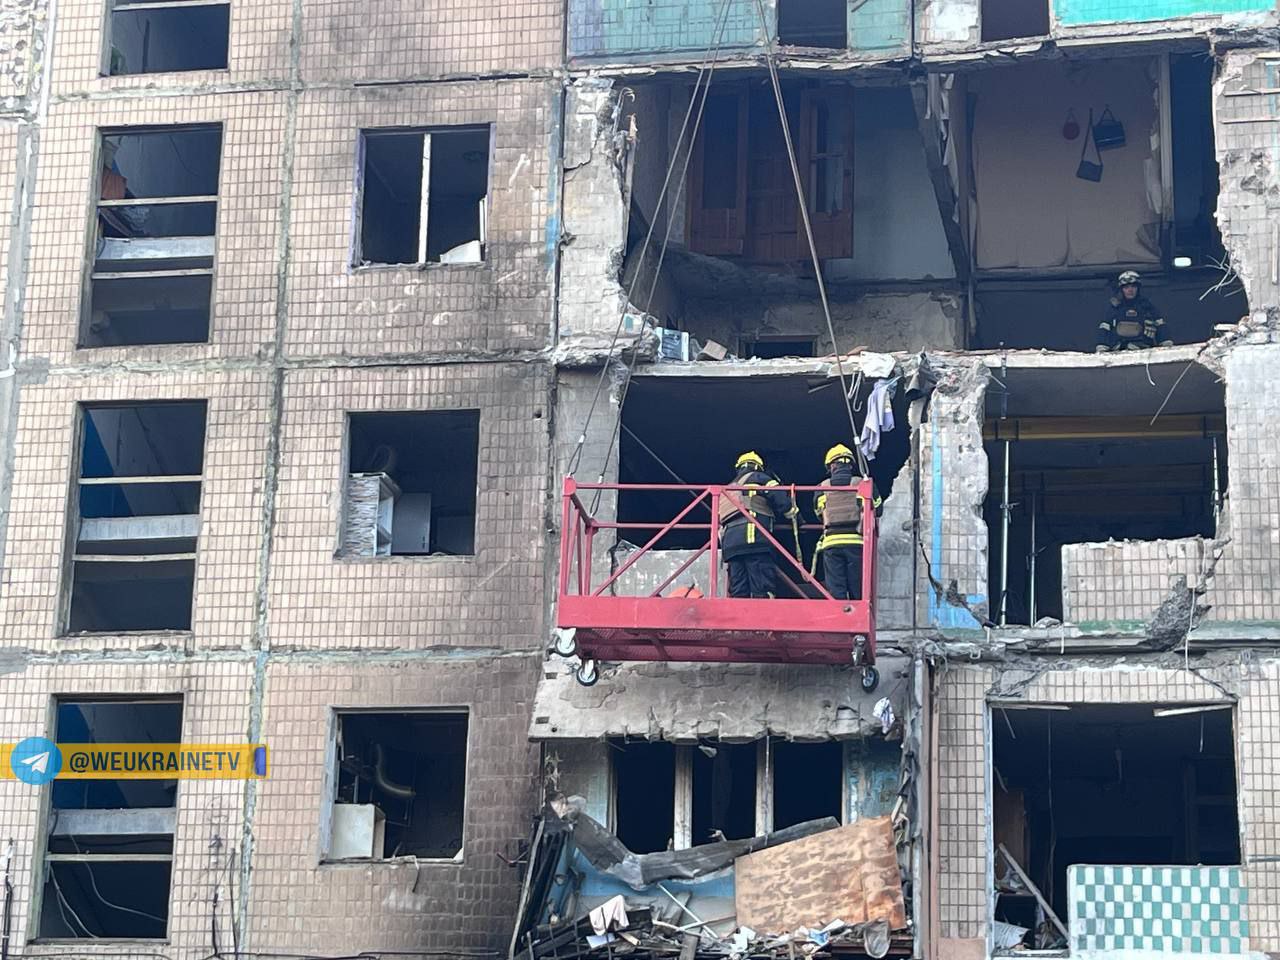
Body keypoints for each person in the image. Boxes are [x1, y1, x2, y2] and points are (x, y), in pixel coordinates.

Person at [719, 451, 795, 599]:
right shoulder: (759, 478)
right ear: (757, 467)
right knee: (762, 590)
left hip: (731, 546)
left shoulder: (727, 489)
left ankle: (740, 614)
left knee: (739, 592)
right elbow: (781, 499)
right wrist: (796, 519)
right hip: (754, 540)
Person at [813, 444, 882, 601]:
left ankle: (839, 611)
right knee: (857, 589)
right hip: (856, 542)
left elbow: (818, 513)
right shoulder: (862, 483)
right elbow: (878, 509)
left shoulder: (822, 487)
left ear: (831, 466)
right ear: (850, 465)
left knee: (836, 589)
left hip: (831, 542)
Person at [1097, 271, 1172, 352]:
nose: (1130, 290)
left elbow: (1160, 324)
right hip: (1119, 351)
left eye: (1133, 287)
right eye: (1126, 287)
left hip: (1144, 350)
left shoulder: (1147, 306)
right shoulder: (1115, 307)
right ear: (1121, 290)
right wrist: (1102, 346)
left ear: (1138, 288)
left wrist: (1165, 342)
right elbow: (1105, 327)